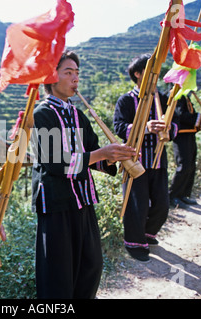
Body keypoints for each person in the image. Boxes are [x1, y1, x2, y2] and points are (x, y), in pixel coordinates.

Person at [31, 51, 136, 298]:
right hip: (56, 204)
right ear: (51, 76)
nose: (75, 78)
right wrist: (101, 154)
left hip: (82, 200)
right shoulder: (41, 114)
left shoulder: (77, 115)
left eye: (77, 73)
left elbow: (92, 153)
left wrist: (116, 156)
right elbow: (56, 163)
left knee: (90, 266)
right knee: (58, 274)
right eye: (68, 72)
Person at [113, 54, 178, 262]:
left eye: (157, 73)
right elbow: (120, 127)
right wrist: (145, 127)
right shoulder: (126, 100)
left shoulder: (164, 98)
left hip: (158, 160)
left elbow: (174, 125)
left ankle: (147, 234)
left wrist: (169, 129)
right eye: (151, 72)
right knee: (136, 204)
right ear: (138, 74)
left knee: (162, 204)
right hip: (135, 160)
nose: (155, 77)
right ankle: (134, 243)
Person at [169, 94, 201, 209]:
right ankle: (173, 196)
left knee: (191, 164)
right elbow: (181, 115)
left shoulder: (185, 96)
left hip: (190, 133)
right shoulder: (176, 95)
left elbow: (191, 114)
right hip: (181, 135)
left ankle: (183, 194)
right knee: (183, 165)